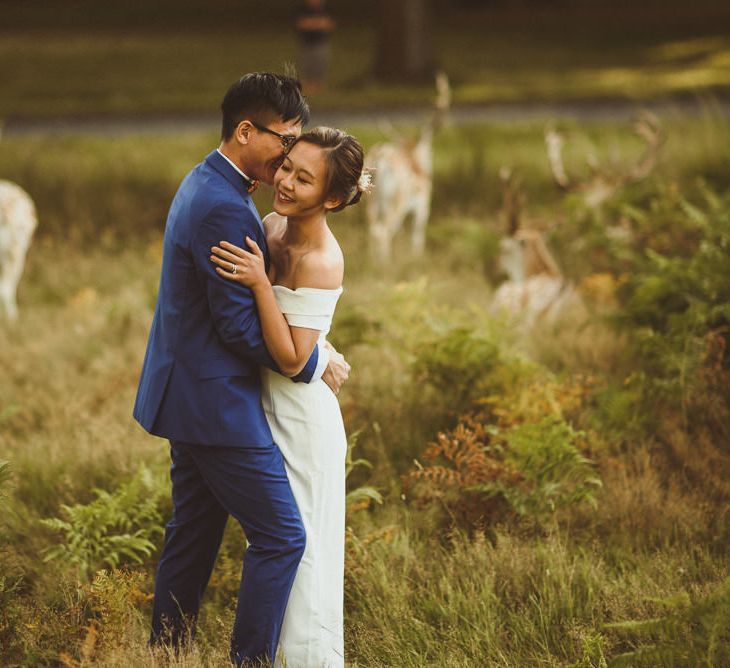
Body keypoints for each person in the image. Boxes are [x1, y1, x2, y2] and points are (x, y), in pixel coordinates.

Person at [132, 73, 350, 666]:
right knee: (281, 537)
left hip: (188, 393)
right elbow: (236, 327)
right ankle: (249, 661)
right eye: (284, 143)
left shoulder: (207, 181)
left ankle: (165, 651)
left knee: (194, 532)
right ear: (247, 131)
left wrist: (312, 344)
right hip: (216, 402)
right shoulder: (227, 210)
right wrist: (313, 361)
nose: (287, 159)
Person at [209, 126, 370, 667]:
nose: (285, 181)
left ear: (332, 197)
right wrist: (324, 350)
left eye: (304, 178)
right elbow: (305, 342)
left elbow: (290, 359)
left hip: (304, 422)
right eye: (286, 166)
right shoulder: (272, 225)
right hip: (265, 407)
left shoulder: (322, 258)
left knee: (303, 552)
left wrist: (259, 284)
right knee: (279, 545)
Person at [296, 0, 335, 93]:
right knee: (307, 65)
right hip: (307, 43)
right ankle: (308, 88)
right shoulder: (303, 10)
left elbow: (329, 24)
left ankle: (318, 87)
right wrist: (318, 23)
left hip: (321, 43)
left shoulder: (325, 10)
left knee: (320, 64)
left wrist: (312, 23)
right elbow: (301, 24)